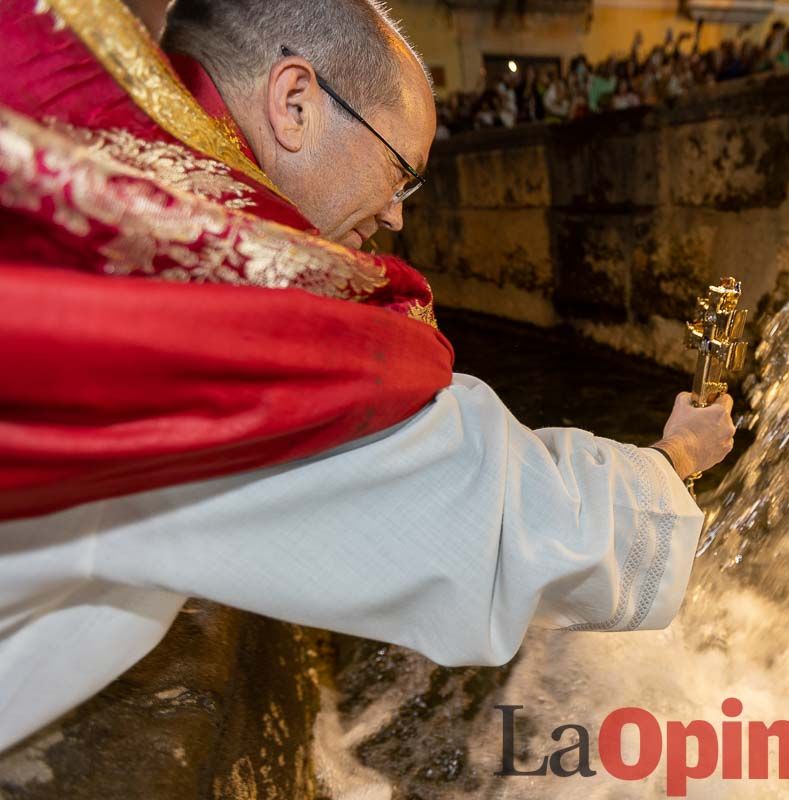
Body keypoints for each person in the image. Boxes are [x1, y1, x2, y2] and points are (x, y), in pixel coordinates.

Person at [0, 0, 736, 754]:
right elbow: (489, 519)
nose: (395, 217)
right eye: (398, 172)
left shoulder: (92, 156)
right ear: (295, 103)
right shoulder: (216, 280)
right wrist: (671, 462)